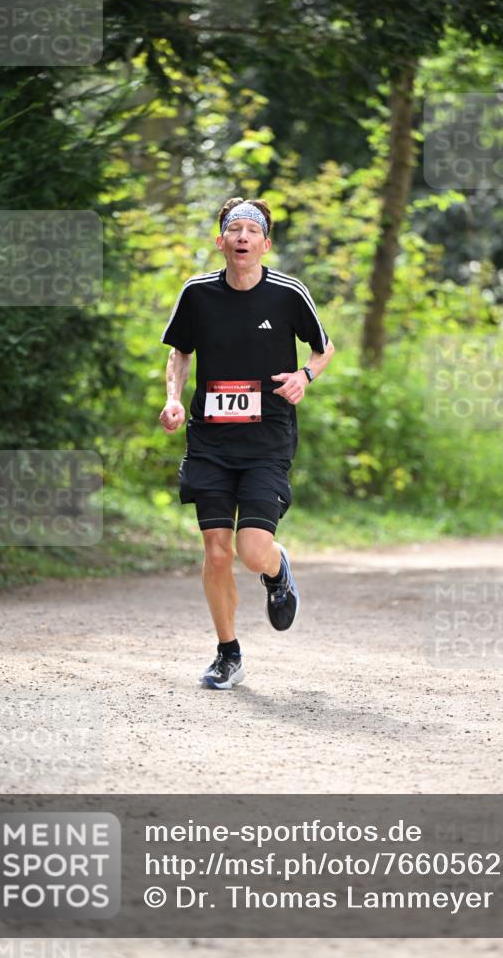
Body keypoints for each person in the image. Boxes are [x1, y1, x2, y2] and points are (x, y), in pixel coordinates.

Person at [158, 196, 335, 689]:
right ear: (221, 242)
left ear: (264, 243)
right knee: (216, 553)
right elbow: (180, 353)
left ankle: (277, 573)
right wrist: (173, 398)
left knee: (251, 550)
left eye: (250, 231)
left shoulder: (287, 293)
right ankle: (227, 653)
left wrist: (305, 375)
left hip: (266, 442)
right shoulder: (197, 294)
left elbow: (324, 349)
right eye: (233, 229)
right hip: (210, 441)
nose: (241, 237)